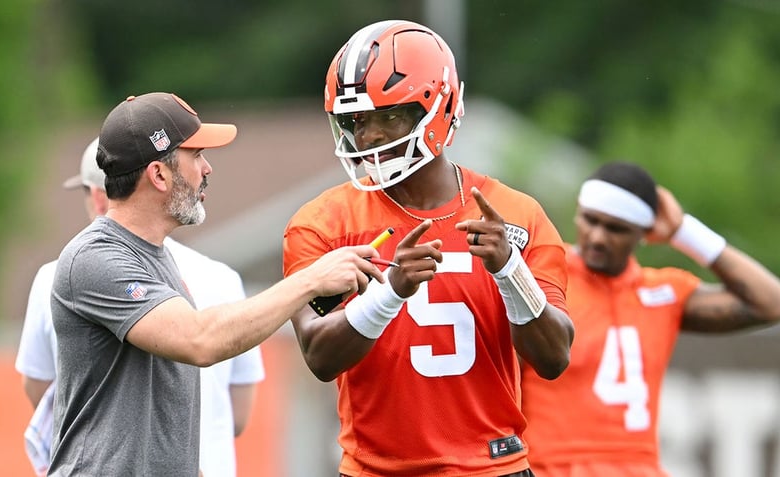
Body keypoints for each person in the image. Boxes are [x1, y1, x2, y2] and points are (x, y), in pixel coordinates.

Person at [281, 20, 575, 476]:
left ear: (439, 108)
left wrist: (509, 271)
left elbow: (554, 357)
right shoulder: (321, 224)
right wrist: (390, 291)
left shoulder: (516, 216)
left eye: (389, 115)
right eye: (357, 121)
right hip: (377, 470)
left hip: (493, 468)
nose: (371, 137)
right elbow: (319, 356)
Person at [48, 92, 385, 476]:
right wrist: (310, 280)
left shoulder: (154, 255)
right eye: (196, 155)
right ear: (159, 174)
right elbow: (200, 340)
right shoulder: (95, 259)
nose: (207, 168)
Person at [14, 138, 264, 477]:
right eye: (198, 158)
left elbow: (41, 390)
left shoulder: (54, 274)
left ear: (100, 194)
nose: (206, 169)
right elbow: (239, 415)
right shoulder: (223, 276)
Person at [520, 161, 780, 477]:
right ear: (578, 211)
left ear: (644, 232)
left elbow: (771, 303)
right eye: (591, 220)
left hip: (640, 468)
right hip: (550, 466)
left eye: (616, 228)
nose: (598, 237)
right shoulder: (543, 275)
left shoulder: (661, 292)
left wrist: (685, 232)